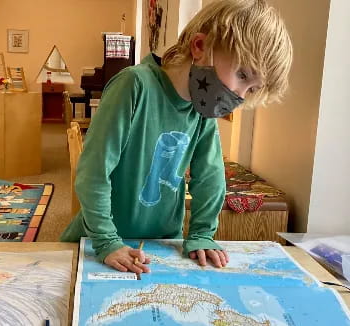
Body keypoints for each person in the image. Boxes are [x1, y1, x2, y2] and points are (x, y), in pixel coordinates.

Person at [60, 0, 292, 275]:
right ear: (200, 47)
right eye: (242, 75)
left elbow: (210, 176)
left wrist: (203, 232)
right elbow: (93, 172)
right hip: (97, 243)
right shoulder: (134, 85)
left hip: (160, 246)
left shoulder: (202, 110)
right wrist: (106, 241)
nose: (240, 96)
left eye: (251, 89)